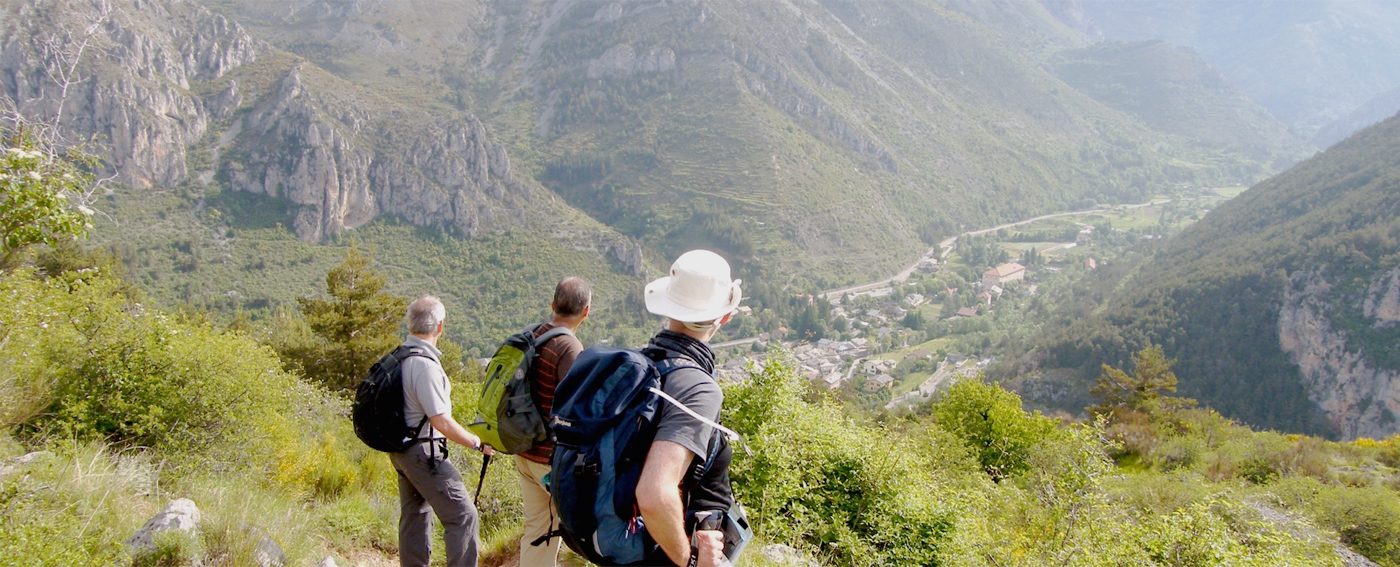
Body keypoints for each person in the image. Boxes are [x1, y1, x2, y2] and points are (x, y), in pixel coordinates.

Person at [636, 250, 742, 567]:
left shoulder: (644, 362)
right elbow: (655, 493)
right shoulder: (698, 388)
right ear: (725, 316)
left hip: (640, 536)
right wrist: (691, 560)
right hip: (669, 547)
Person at [392, 295, 493, 567]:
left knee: (415, 513)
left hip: (400, 450)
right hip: (424, 452)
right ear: (440, 327)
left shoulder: (400, 356)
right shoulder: (425, 365)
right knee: (463, 516)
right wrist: (476, 442)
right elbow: (442, 422)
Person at [516, 277, 591, 566]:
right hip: (548, 459)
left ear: (553, 304)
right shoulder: (569, 348)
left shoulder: (535, 334)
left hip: (524, 450)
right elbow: (578, 409)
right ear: (586, 311)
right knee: (567, 528)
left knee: (538, 529)